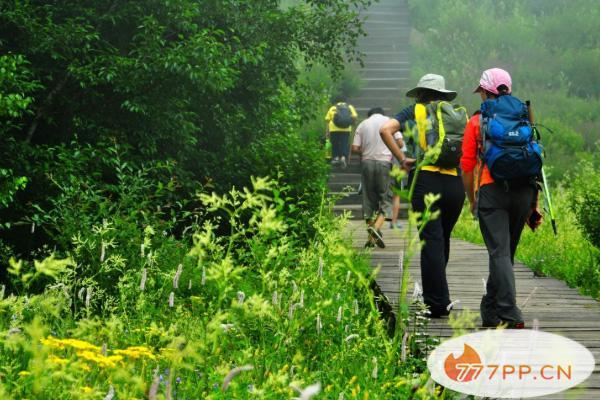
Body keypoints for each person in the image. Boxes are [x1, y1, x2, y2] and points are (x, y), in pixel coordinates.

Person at [379, 74, 465, 317]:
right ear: (442, 94)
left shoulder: (414, 111)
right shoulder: (455, 115)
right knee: (443, 240)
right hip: (454, 183)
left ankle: (435, 303)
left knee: (431, 243)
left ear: (421, 94)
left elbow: (385, 129)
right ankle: (441, 297)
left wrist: (402, 158)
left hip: (427, 180)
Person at [461, 68, 535, 329]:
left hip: (492, 192)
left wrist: (472, 199)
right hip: (524, 192)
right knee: (504, 253)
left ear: (484, 91)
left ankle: (509, 311)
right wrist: (533, 204)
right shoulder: (523, 116)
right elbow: (534, 157)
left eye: (480, 90)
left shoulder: (476, 121)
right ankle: (490, 310)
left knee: (499, 252)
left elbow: (467, 165)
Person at [351, 107, 404, 248]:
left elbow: (355, 148)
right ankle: (376, 228)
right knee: (386, 199)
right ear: (383, 113)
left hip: (367, 164)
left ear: (369, 115)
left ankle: (371, 238)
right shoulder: (390, 122)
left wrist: (367, 149)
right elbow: (400, 143)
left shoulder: (362, 124)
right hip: (385, 164)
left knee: (368, 198)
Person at [325, 97, 358, 168]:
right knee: (344, 143)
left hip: (333, 129)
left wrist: (327, 131)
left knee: (334, 143)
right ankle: (343, 157)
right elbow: (355, 116)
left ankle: (336, 157)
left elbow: (327, 120)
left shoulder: (332, 108)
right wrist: (353, 123)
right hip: (346, 129)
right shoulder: (349, 107)